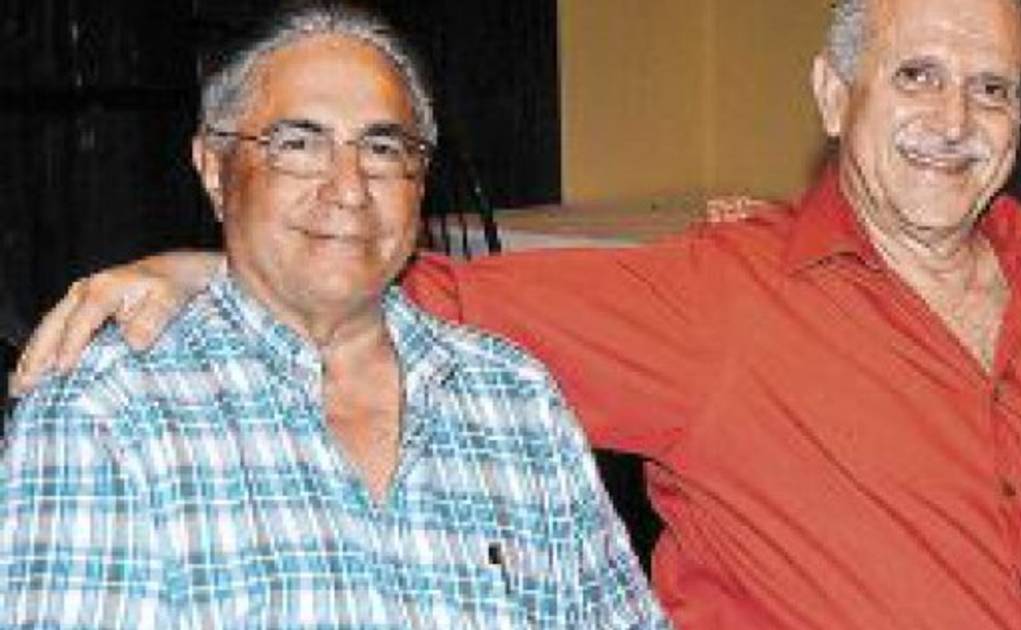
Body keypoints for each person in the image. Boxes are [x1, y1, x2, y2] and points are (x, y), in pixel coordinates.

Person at [12, 0, 1021, 626]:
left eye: (991, 87)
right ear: (836, 94)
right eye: (916, 75)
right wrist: (203, 269)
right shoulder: (715, 301)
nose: (953, 118)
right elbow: (397, 288)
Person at [0, 5, 667, 628]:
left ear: (419, 181)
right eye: (299, 143)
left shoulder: (516, 400)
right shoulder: (107, 413)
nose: (349, 189)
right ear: (214, 169)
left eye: (382, 148)